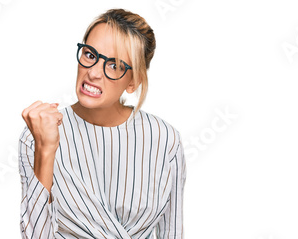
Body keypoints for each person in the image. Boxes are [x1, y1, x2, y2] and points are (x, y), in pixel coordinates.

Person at [18, 9, 186, 238]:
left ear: (133, 82)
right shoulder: (37, 134)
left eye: (114, 65)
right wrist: (45, 149)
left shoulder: (165, 139)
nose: (94, 73)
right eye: (90, 55)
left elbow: (171, 231)